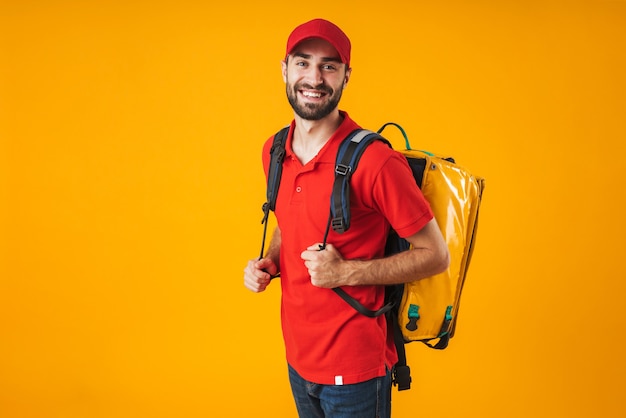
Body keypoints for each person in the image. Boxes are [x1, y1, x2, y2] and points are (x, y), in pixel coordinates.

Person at [243, 18, 450, 418]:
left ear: (345, 76)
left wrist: (344, 273)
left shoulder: (376, 161)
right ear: (285, 69)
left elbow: (436, 255)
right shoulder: (274, 150)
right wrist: (271, 263)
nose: (314, 77)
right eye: (303, 63)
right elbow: (289, 224)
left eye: (329, 66)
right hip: (298, 359)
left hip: (355, 368)